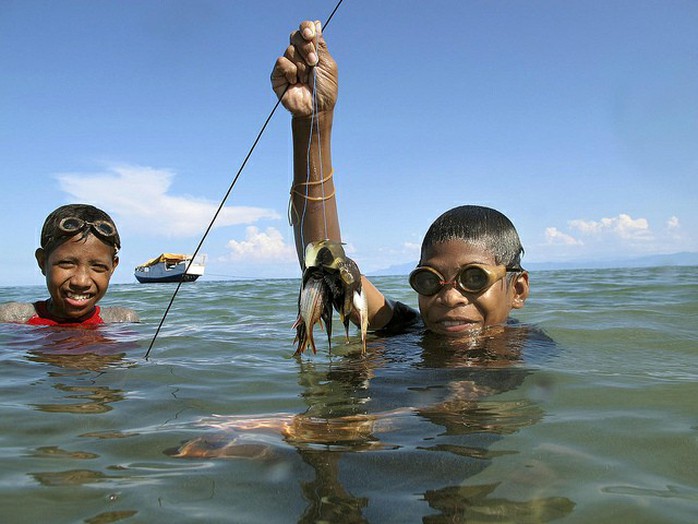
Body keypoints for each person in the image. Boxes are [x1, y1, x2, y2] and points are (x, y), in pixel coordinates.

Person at [271, 21, 530, 338]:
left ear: (517, 289)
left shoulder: (536, 353)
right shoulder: (406, 330)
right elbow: (327, 267)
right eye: (428, 280)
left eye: (473, 278)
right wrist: (314, 121)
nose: (449, 297)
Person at [0, 204, 139, 326]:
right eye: (66, 263)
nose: (81, 281)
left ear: (112, 268)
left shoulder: (122, 321)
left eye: (98, 267)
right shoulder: (11, 319)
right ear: (42, 262)